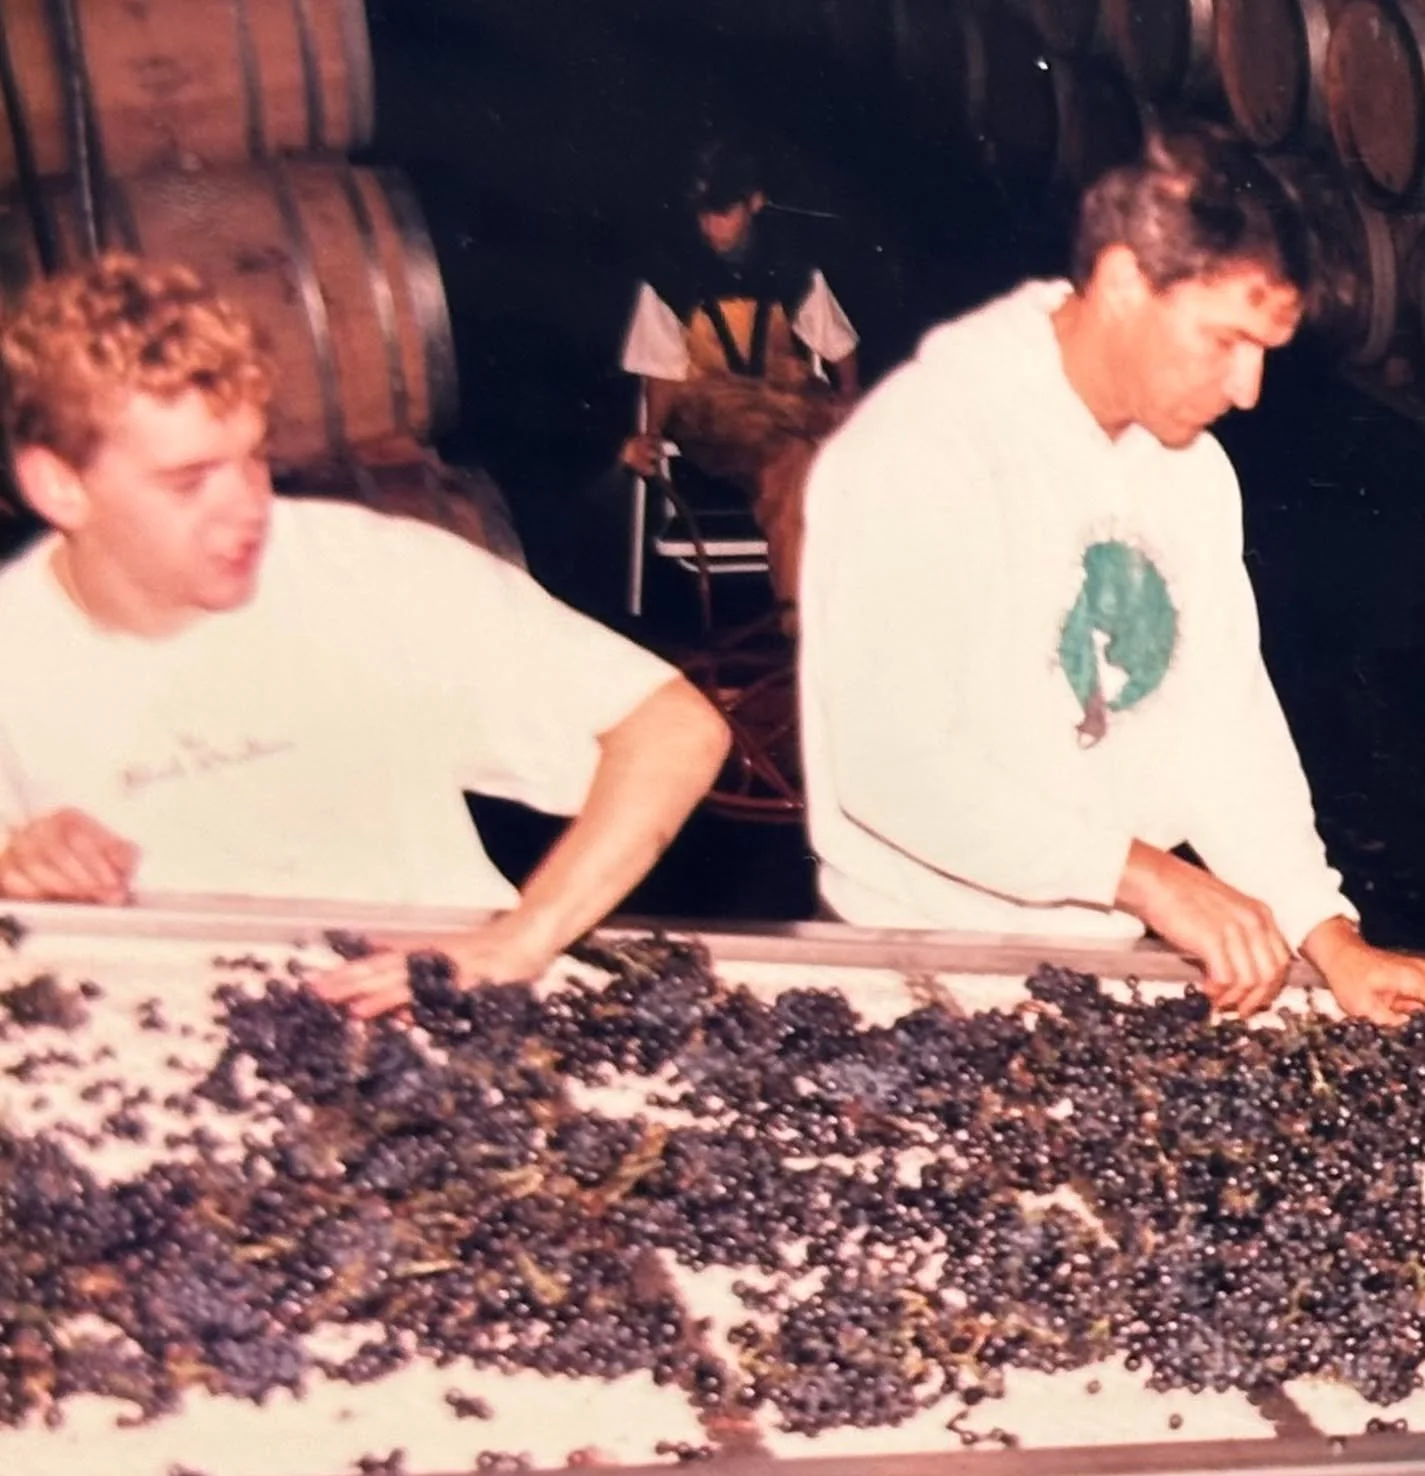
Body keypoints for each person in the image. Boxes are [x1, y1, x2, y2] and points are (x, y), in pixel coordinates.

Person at [799, 124, 1425, 1026]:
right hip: (919, 963)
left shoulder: (1189, 471)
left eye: (1264, 352)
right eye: (1223, 341)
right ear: (1127, 283)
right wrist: (1145, 878)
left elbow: (1223, 724)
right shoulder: (926, 444)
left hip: (1106, 962)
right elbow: (889, 764)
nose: (1246, 388)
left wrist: (1324, 931)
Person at [0, 255, 730, 1017]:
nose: (246, 507)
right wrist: (15, 866)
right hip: (158, 1030)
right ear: (61, 485)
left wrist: (521, 937)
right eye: (189, 481)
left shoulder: (367, 571)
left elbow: (673, 728)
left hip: (430, 1007)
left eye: (254, 457)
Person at [619, 140, 859, 622]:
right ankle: (798, 620)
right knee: (793, 459)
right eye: (704, 214)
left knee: (876, 435)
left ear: (755, 202)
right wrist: (649, 433)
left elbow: (839, 346)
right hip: (712, 405)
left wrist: (851, 402)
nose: (712, 227)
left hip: (786, 392)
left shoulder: (790, 268)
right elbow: (660, 370)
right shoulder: (671, 273)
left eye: (724, 213)